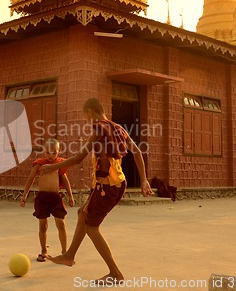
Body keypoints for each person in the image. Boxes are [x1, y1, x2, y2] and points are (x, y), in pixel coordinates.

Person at [39, 98, 153, 284]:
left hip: (106, 187)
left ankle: (115, 273)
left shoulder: (98, 129)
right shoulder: (119, 128)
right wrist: (144, 180)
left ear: (90, 113)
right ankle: (69, 256)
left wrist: (52, 168)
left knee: (92, 227)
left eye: (86, 117)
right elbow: (137, 152)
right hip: (116, 183)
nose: (87, 121)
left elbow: (78, 158)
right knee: (82, 214)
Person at [20, 138, 75, 262]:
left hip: (56, 198)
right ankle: (44, 250)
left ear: (58, 151)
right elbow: (31, 179)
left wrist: (71, 196)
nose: (51, 156)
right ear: (44, 151)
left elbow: (65, 181)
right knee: (43, 226)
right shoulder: (39, 164)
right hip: (42, 199)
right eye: (48, 152)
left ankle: (64, 252)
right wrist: (24, 196)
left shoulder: (59, 164)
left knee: (61, 224)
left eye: (54, 152)